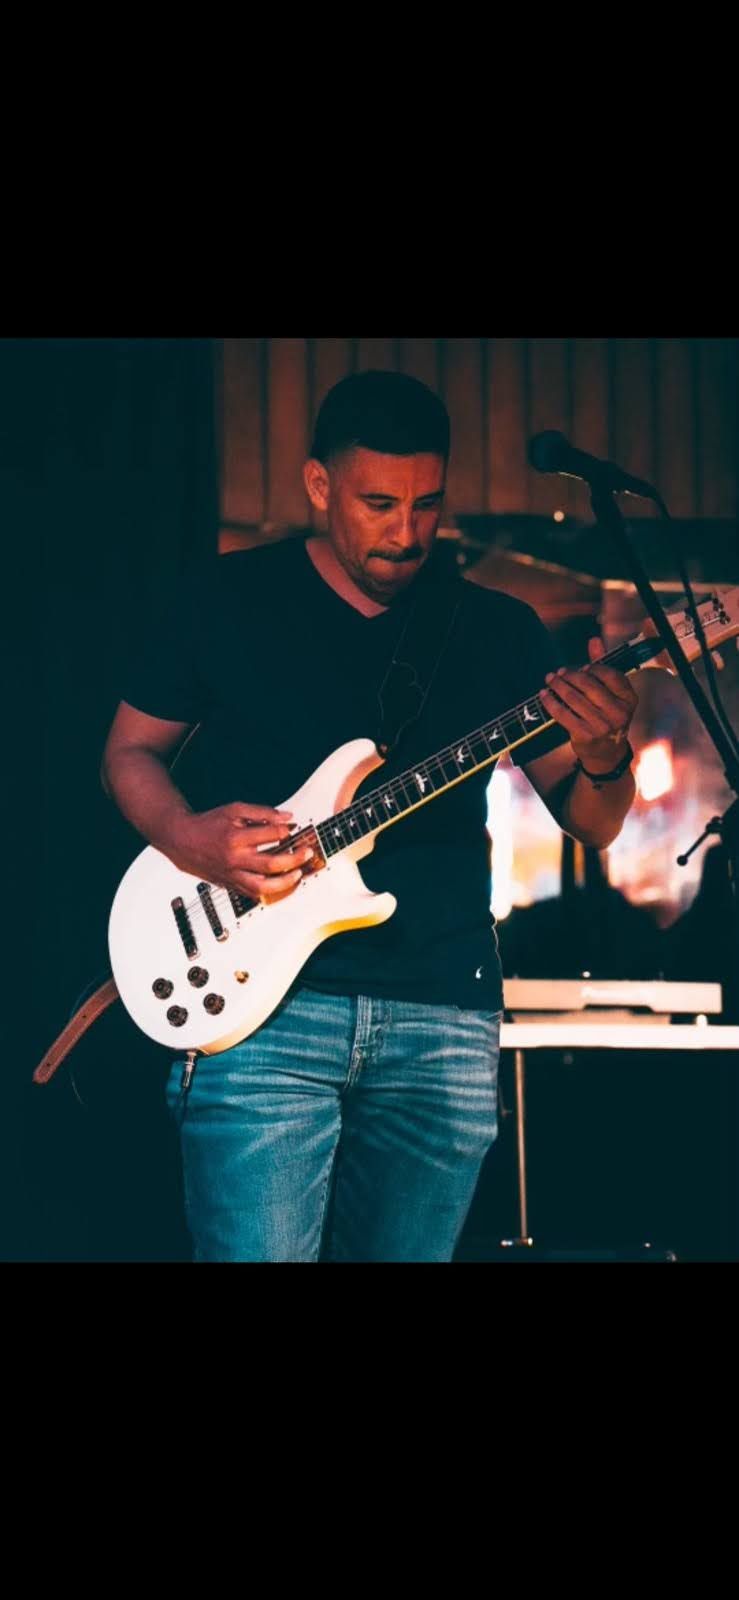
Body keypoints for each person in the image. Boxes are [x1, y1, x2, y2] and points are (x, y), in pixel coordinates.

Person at [101, 370, 638, 1262]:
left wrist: (605, 753)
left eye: (426, 504)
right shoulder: (224, 598)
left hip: (442, 1010)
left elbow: (594, 822)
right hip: (263, 1008)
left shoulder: (496, 629)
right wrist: (189, 839)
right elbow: (128, 753)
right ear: (319, 485)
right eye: (378, 504)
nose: (405, 532)